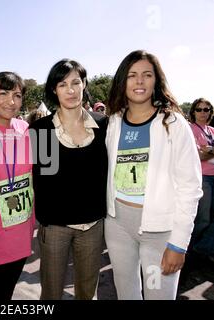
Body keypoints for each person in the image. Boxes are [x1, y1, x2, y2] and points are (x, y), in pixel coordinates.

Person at [105, 50, 202, 300]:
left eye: (147, 75)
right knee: (126, 294)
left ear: (156, 81)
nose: (139, 81)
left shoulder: (174, 124)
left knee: (158, 295)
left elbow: (190, 188)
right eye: (132, 75)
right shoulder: (113, 122)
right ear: (122, 82)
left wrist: (179, 243)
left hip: (159, 230)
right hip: (117, 225)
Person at [30, 59, 108, 300]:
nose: (71, 90)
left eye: (76, 82)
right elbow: (40, 178)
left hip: (93, 226)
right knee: (51, 293)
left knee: (87, 292)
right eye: (63, 84)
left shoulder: (104, 124)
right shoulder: (40, 129)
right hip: (55, 227)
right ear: (54, 89)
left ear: (85, 85)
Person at [0, 72, 35, 301]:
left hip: (20, 231)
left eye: (17, 95)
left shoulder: (26, 129)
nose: (10, 101)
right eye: (3, 93)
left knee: (5, 294)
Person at [188, 98, 214, 260]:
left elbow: (205, 153)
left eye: (206, 109)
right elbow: (198, 155)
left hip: (213, 177)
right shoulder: (191, 129)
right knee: (203, 219)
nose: (203, 113)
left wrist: (209, 151)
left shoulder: (211, 129)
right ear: (193, 112)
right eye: (199, 109)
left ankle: (202, 249)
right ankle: (191, 252)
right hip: (202, 178)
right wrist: (211, 151)